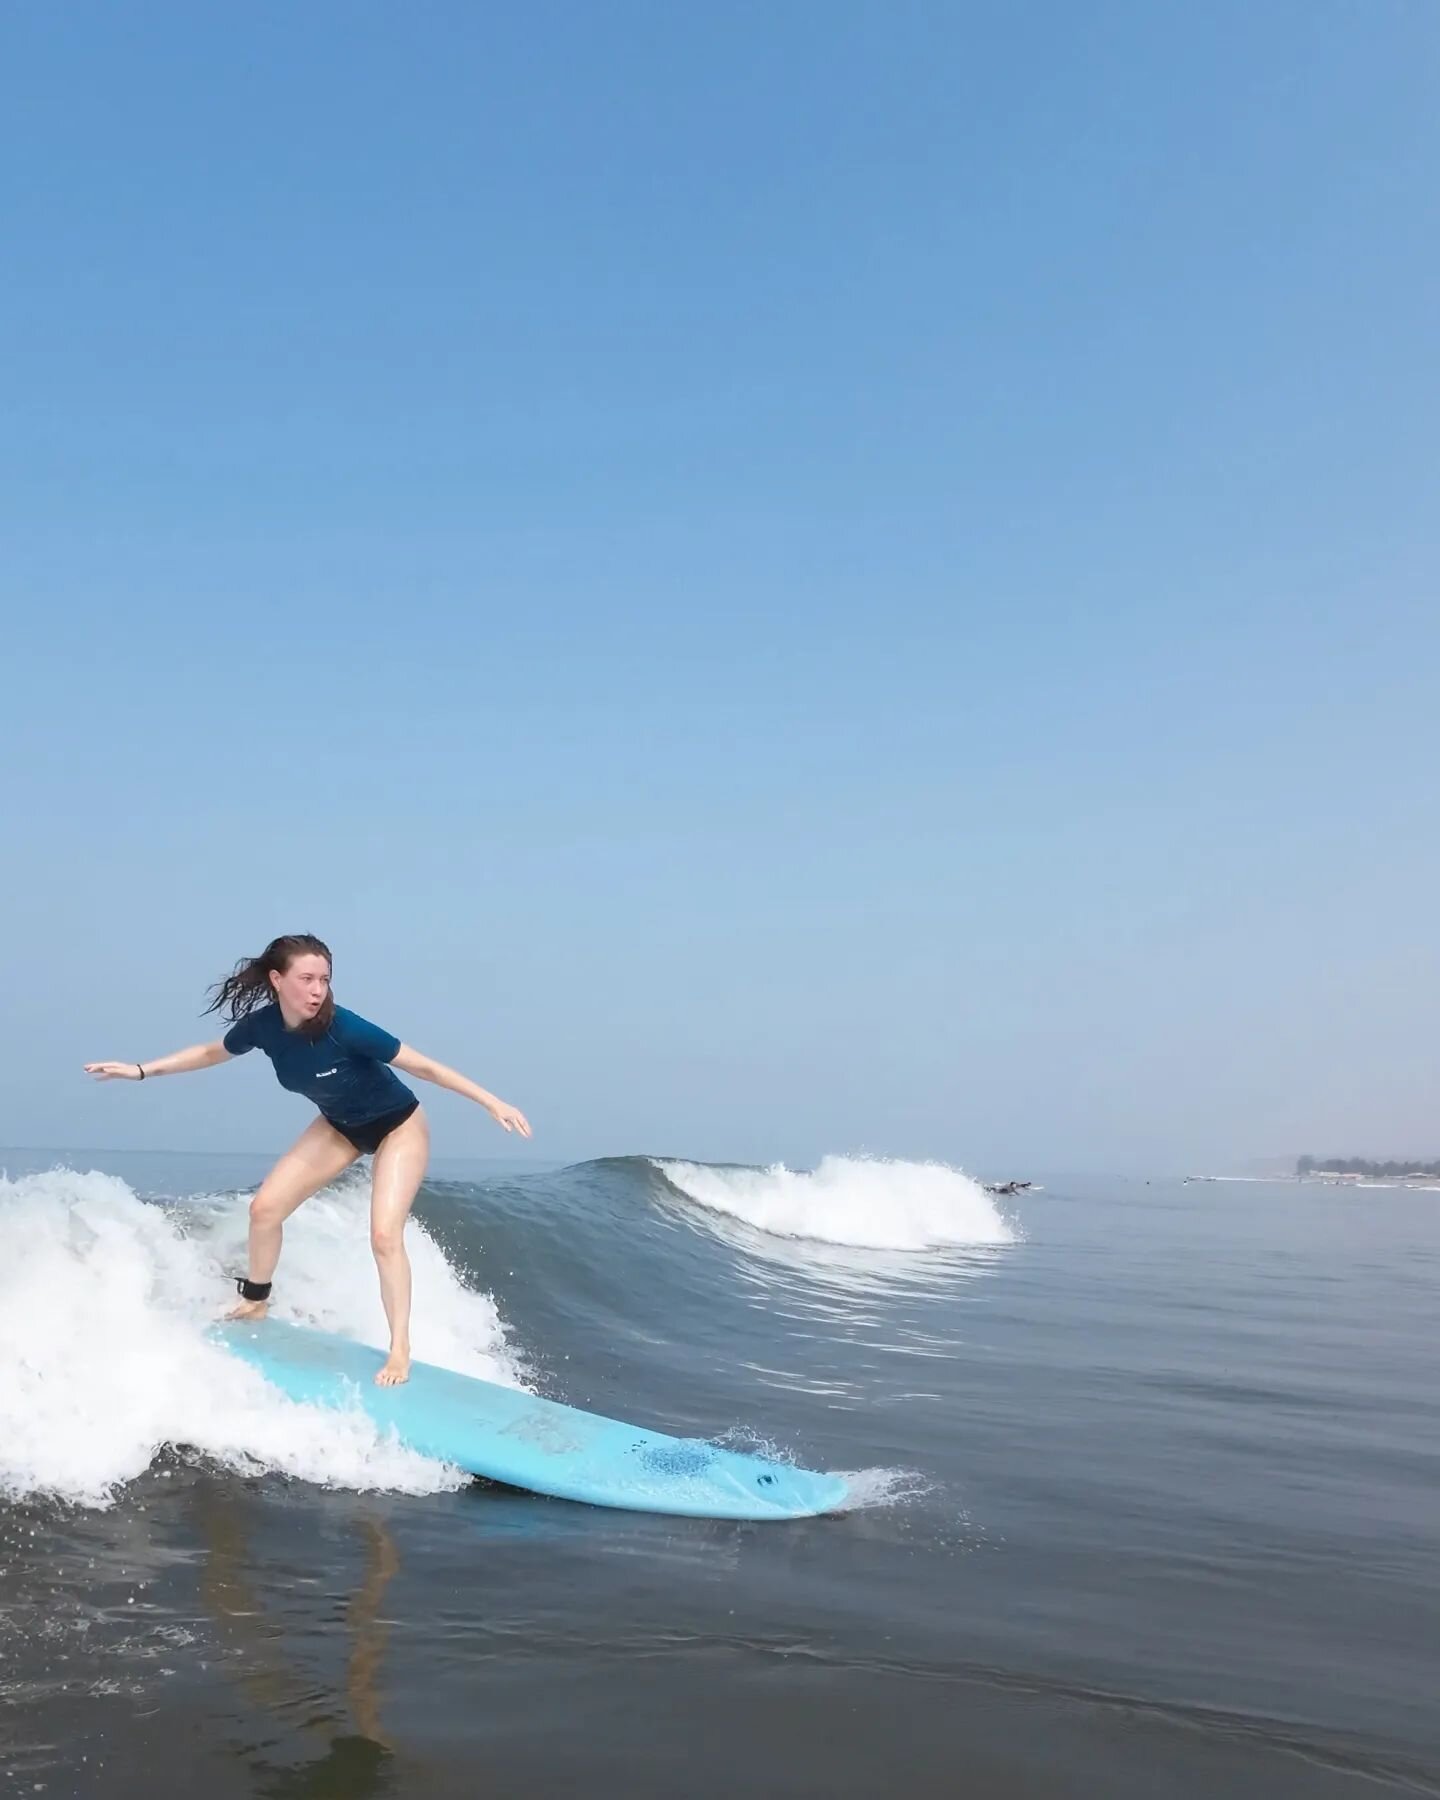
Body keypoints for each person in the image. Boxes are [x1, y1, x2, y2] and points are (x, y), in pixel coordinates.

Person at [84, 933, 532, 1386]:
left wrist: (490, 1101)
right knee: (264, 1210)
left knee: (383, 1235)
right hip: (340, 1125)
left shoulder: (345, 1027)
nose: (318, 989)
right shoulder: (262, 1028)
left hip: (399, 1124)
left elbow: (423, 1066)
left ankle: (400, 1349)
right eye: (307, 978)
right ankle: (256, 1300)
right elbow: (209, 1052)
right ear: (277, 980)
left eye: (324, 979)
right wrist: (141, 1071)